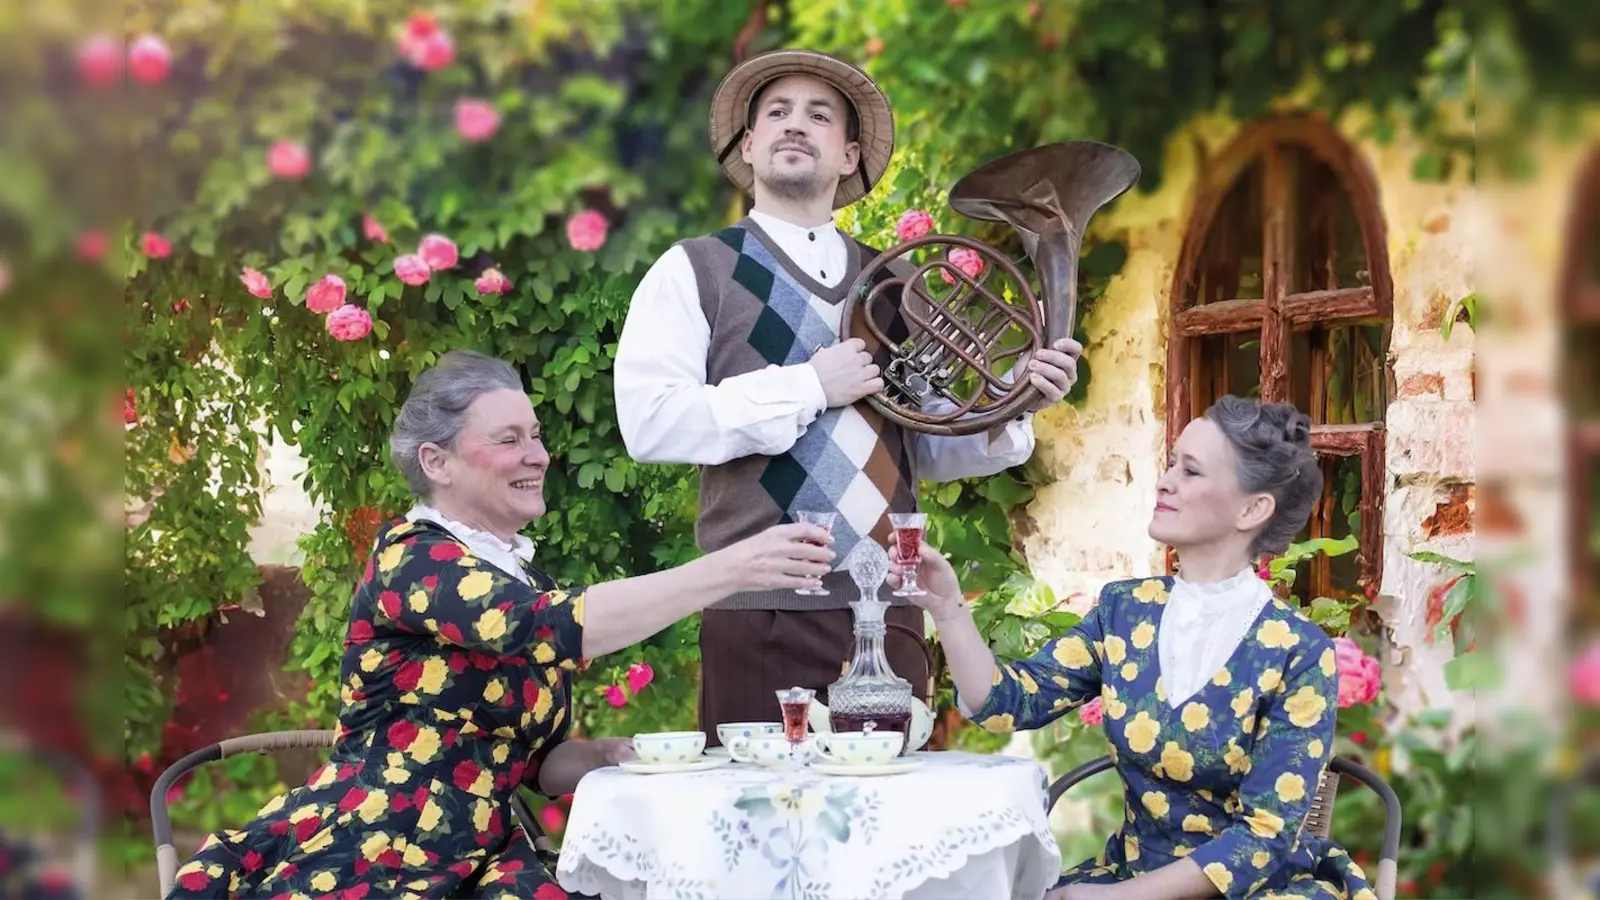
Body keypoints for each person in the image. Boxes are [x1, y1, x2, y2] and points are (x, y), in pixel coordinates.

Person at [165, 350, 834, 900]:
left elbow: (535, 765)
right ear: (437, 463)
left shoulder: (521, 579)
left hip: (479, 854)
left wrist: (610, 755)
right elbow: (548, 627)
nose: (536, 455)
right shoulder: (415, 560)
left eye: (536, 437)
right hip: (378, 846)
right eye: (508, 440)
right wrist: (731, 568)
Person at [612, 47, 1083, 742]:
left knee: (885, 834)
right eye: (776, 113)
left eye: (819, 115)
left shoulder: (891, 281)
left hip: (888, 610)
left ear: (848, 154)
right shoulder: (695, 269)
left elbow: (924, 445)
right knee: (758, 831)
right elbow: (650, 425)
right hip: (757, 612)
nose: (794, 125)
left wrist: (1015, 402)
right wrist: (810, 386)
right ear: (749, 145)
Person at [894, 396, 1377, 900]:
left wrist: (1113, 898)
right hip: (1130, 875)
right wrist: (948, 608)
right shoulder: (1126, 611)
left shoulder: (1299, 652)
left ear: (1253, 509)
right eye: (1172, 463)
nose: (1165, 480)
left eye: (1191, 472)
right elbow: (1005, 703)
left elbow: (1264, 837)